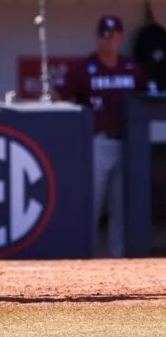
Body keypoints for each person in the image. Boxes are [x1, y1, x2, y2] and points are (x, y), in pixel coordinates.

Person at [58, 15, 147, 258]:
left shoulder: (130, 67)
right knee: (93, 201)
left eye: (116, 35)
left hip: (127, 143)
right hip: (98, 141)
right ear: (99, 37)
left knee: (120, 204)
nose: (112, 40)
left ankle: (116, 257)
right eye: (107, 36)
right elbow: (63, 95)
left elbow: (144, 97)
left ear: (120, 37)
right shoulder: (85, 67)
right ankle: (86, 255)